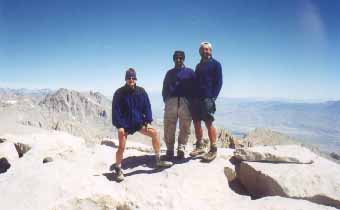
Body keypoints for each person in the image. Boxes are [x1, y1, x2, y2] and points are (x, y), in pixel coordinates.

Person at [112, 68, 173, 182]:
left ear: (136, 79)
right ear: (126, 79)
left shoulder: (141, 91)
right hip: (125, 124)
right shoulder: (119, 93)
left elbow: (147, 107)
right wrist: (119, 126)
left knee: (155, 133)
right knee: (121, 146)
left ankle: (158, 159)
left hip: (138, 122)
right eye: (129, 78)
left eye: (133, 78)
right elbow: (116, 111)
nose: (131, 80)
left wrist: (148, 121)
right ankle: (118, 168)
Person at [190, 42, 223, 162]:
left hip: (207, 98)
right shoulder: (198, 66)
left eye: (208, 49)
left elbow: (219, 82)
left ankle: (213, 148)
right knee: (197, 122)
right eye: (204, 49)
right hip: (196, 98)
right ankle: (200, 146)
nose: (206, 51)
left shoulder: (216, 64)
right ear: (200, 51)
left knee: (209, 122)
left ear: (211, 51)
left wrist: (213, 97)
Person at [162, 51, 195, 160]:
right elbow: (165, 87)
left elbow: (195, 87)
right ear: (173, 59)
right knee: (169, 126)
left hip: (185, 102)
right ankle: (170, 149)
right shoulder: (169, 73)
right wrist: (166, 100)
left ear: (183, 59)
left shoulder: (190, 72)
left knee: (185, 126)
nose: (178, 60)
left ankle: (181, 148)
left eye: (180, 58)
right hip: (171, 101)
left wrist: (191, 101)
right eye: (176, 58)